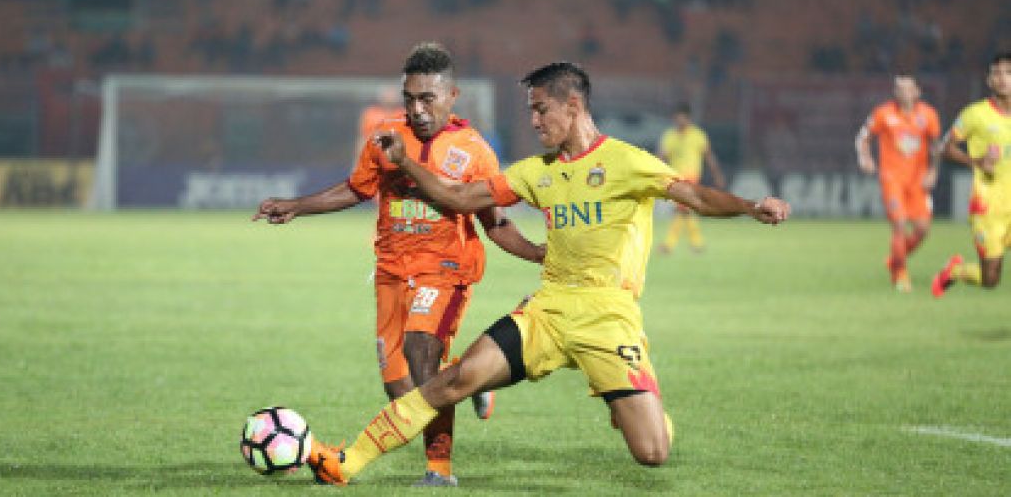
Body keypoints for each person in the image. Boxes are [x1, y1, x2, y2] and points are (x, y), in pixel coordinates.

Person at [305, 62, 791, 486]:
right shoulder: (536, 171)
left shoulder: (626, 162)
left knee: (652, 453)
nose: (534, 121)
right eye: (531, 111)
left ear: (573, 105)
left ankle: (645, 408)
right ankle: (346, 462)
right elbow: (457, 198)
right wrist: (407, 162)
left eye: (541, 110)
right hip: (549, 310)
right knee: (456, 379)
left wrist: (752, 207)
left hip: (608, 317)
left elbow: (698, 197)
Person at [253, 42, 545, 487]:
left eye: (427, 98)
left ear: (452, 96)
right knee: (400, 390)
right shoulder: (386, 137)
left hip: (446, 269)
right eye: (410, 98)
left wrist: (540, 253)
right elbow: (356, 190)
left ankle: (439, 472)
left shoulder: (474, 151)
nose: (418, 108)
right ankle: (473, 382)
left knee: (420, 350)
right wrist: (297, 205)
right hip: (391, 272)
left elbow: (495, 223)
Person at [931, 52, 1011, 296]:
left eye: (1009, 73)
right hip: (988, 207)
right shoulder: (975, 114)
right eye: (997, 73)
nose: (1003, 79)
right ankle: (955, 271)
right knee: (991, 279)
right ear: (989, 80)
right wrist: (976, 161)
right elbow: (944, 148)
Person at [855, 73, 941, 292]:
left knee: (922, 230)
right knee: (900, 224)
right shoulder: (883, 113)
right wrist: (865, 158)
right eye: (898, 88)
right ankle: (900, 273)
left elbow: (935, 147)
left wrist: (933, 172)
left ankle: (895, 259)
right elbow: (863, 137)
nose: (903, 92)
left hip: (917, 181)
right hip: (892, 179)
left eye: (907, 88)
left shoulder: (928, 115)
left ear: (917, 91)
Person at [657, 102, 726, 254]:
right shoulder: (670, 136)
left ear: (688, 119)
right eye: (677, 118)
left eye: (682, 118)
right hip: (675, 179)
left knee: (682, 209)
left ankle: (670, 245)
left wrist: (717, 174)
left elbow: (708, 156)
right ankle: (696, 244)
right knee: (684, 210)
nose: (680, 121)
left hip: (691, 178)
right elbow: (661, 157)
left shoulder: (698, 135)